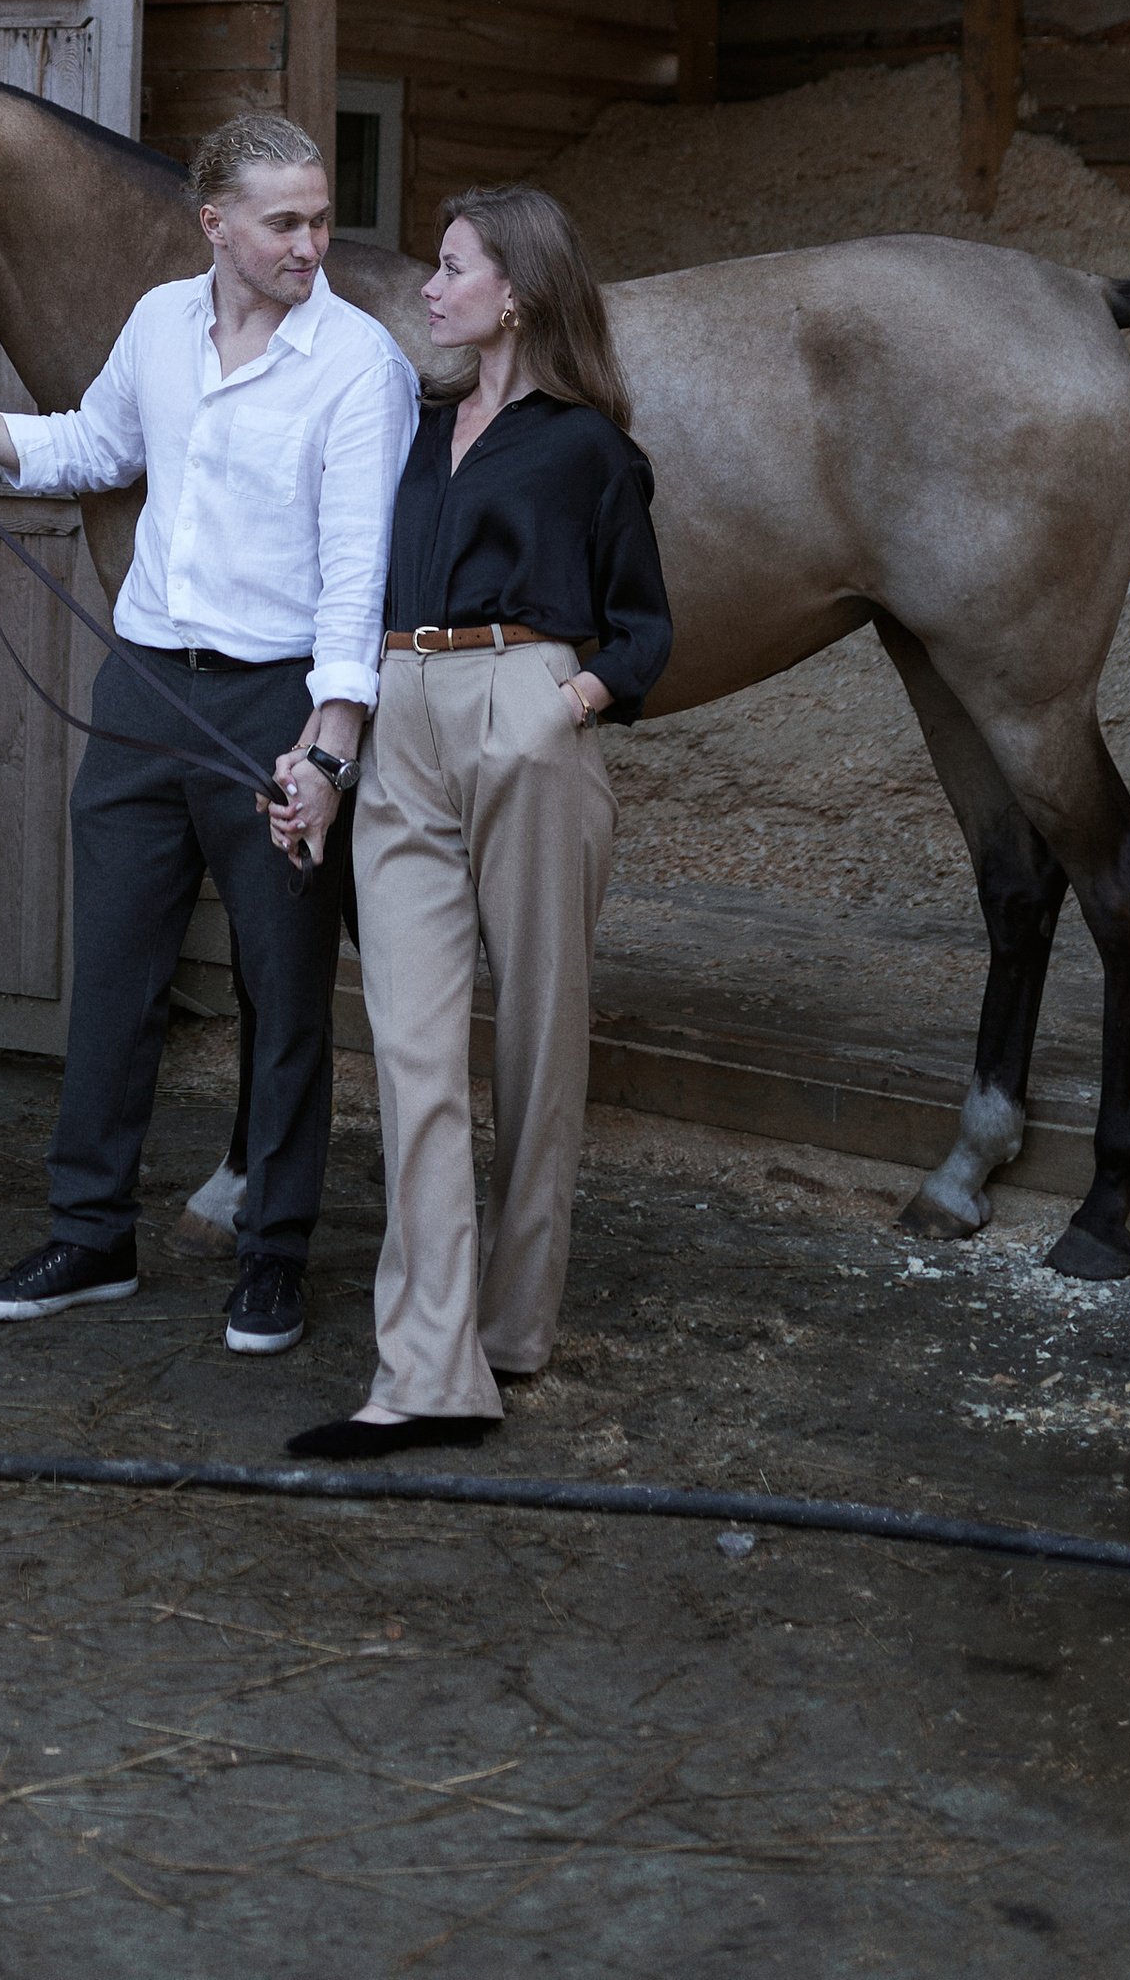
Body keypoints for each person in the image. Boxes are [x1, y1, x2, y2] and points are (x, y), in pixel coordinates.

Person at [0, 110, 417, 1359]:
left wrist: (326, 754)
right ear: (212, 224)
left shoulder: (357, 365)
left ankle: (274, 1250)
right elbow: (97, 446)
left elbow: (357, 585)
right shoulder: (161, 325)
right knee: (113, 973)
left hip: (274, 704)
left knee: (283, 991)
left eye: (322, 219)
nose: (311, 244)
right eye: (285, 222)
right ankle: (91, 1234)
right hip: (144, 692)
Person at [273, 187, 671, 1460]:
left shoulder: (588, 448)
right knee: (411, 1053)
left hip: (524, 702)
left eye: (449, 270)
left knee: (539, 1041)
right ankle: (427, 1372)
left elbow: (645, 622)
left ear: (517, 292)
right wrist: (330, 752)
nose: (429, 290)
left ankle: (511, 1331)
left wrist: (576, 699)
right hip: (398, 713)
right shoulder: (416, 429)